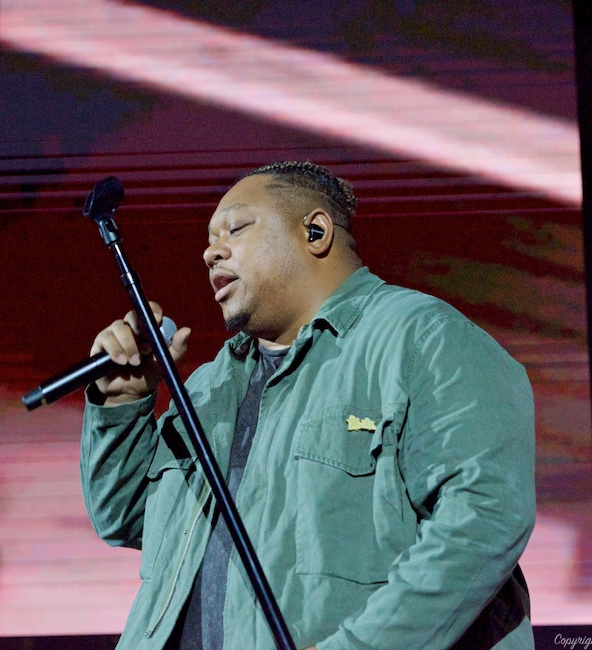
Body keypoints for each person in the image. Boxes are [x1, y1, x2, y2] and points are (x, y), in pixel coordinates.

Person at [80, 161, 536, 650]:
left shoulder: (420, 338)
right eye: (209, 239)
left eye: (235, 227)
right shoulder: (211, 384)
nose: (211, 251)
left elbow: (484, 515)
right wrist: (122, 401)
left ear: (315, 231)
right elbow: (126, 517)